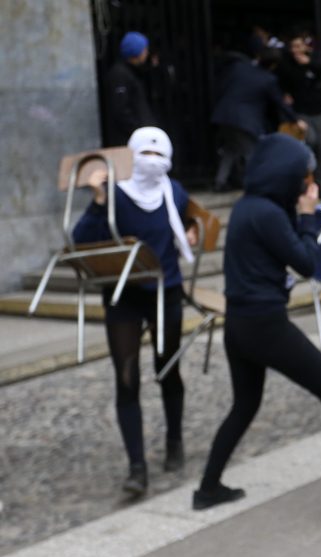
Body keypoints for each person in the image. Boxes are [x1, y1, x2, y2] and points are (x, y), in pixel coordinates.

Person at [193, 133, 321, 520]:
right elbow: (306, 263)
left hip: (240, 323)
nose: (308, 184)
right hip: (263, 323)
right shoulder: (266, 213)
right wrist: (307, 214)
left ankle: (208, 488)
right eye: (304, 177)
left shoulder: (249, 207)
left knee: (245, 404)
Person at [72, 127, 197, 495]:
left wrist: (189, 231)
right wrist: (97, 199)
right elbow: (82, 240)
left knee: (167, 369)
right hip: (123, 295)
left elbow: (187, 216)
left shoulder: (173, 191)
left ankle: (175, 440)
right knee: (126, 379)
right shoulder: (114, 193)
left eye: (160, 156)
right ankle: (137, 467)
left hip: (165, 291)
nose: (153, 163)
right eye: (146, 154)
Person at [210, 47, 302, 192]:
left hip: (224, 115)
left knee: (230, 150)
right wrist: (295, 119)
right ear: (273, 65)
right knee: (252, 154)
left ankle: (220, 181)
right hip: (245, 121)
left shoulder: (239, 68)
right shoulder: (268, 79)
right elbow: (280, 102)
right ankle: (256, 185)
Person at [278, 34, 321, 184]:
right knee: (310, 140)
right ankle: (309, 178)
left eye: (298, 46)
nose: (296, 50)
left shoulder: (317, 60)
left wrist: (308, 64)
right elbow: (283, 87)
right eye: (293, 47)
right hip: (302, 111)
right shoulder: (287, 65)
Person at [105, 32, 157, 145]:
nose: (146, 53)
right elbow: (120, 110)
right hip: (130, 140)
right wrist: (137, 131)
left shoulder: (131, 72)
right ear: (136, 52)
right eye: (144, 50)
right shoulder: (119, 75)